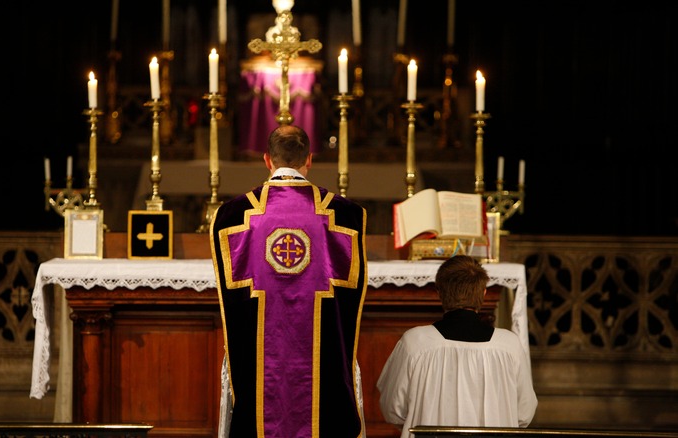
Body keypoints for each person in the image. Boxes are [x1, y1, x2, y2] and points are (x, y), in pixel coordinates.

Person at [210, 125, 368, 438]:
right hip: (323, 364)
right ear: (309, 159)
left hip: (259, 364)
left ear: (267, 160)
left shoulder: (234, 216)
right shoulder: (343, 215)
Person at [377, 255, 537, 436]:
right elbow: (524, 413)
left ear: (439, 292)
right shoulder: (509, 346)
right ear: (483, 293)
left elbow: (393, 408)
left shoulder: (415, 342)